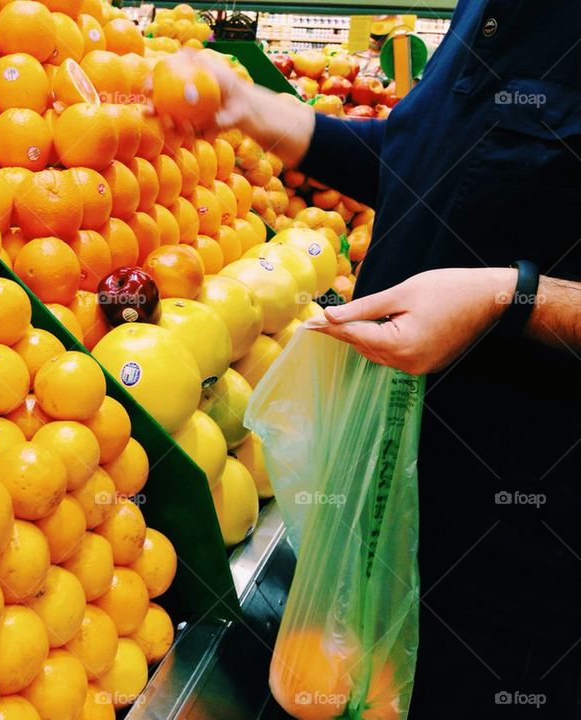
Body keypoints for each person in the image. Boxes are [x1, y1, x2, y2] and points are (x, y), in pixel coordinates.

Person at [197, 2, 581, 717]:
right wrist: (264, 113)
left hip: (518, 557)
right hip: (387, 500)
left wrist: (511, 297)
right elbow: (419, 166)